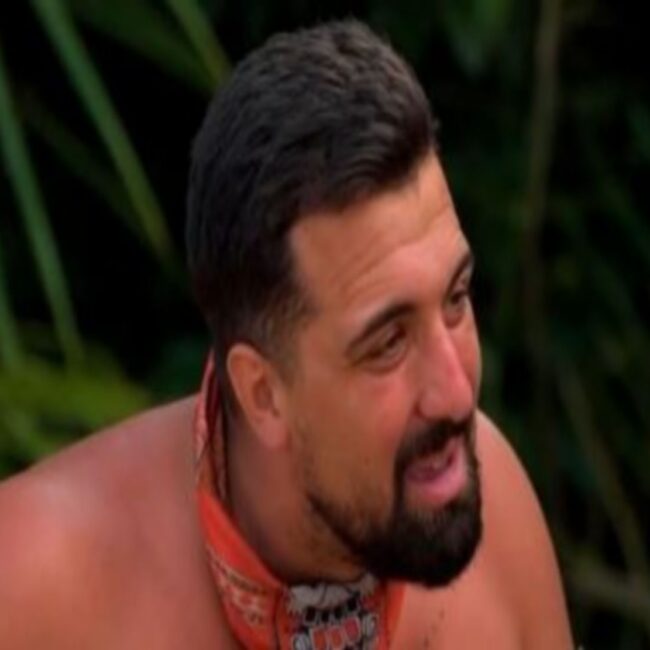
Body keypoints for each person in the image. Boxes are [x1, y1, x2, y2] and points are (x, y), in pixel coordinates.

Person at [0, 19, 573, 649]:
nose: (457, 395)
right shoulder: (32, 587)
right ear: (263, 393)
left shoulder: (497, 512)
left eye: (456, 300)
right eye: (388, 343)